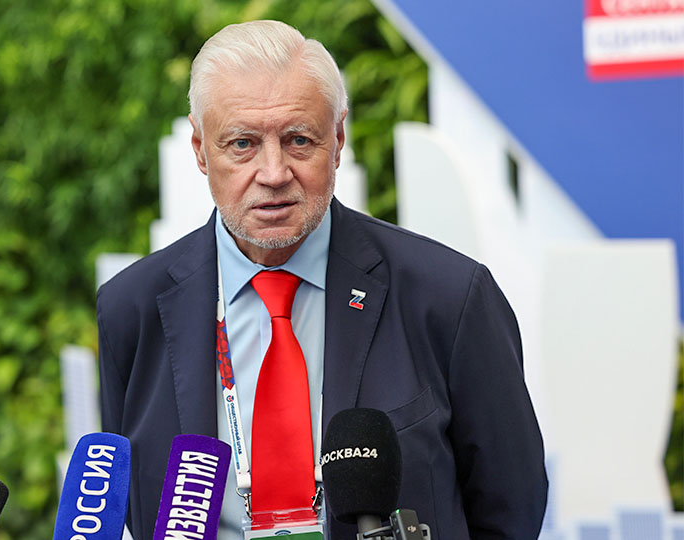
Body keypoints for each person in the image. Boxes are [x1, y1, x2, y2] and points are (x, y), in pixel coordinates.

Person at [97, 20, 547, 540]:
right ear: (200, 149)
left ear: (337, 139)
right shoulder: (133, 308)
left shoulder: (448, 297)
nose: (273, 173)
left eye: (299, 140)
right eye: (242, 144)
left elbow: (510, 510)